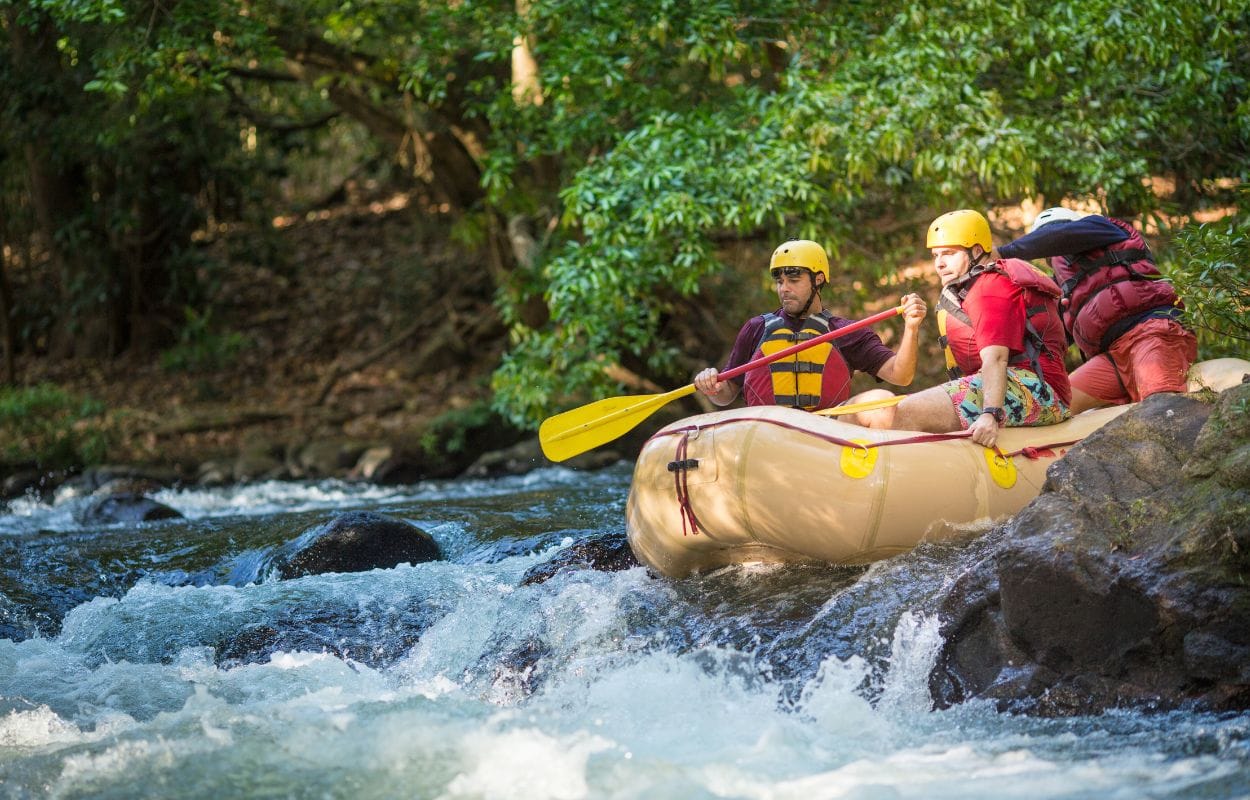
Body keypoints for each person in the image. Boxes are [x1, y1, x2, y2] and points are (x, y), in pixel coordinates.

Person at [693, 239, 927, 427]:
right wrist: (712, 385)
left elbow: (901, 375)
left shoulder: (845, 332)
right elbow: (725, 395)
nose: (784, 288)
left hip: (824, 433)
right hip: (764, 434)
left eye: (794, 280)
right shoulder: (756, 329)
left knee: (880, 402)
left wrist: (912, 326)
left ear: (818, 280)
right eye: (780, 281)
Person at [888, 210, 1072, 448]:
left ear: (976, 252)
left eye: (949, 254)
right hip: (1027, 384)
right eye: (935, 255)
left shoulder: (989, 287)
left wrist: (990, 414)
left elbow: (996, 357)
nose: (939, 264)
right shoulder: (978, 285)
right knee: (893, 411)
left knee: (911, 411)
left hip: (1039, 390)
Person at [995, 207, 1198, 414]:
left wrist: (1003, 253)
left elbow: (1063, 236)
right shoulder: (1064, 291)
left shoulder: (1102, 228)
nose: (1054, 258)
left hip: (1151, 332)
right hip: (1111, 359)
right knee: (1054, 404)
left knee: (1162, 408)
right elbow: (1045, 339)